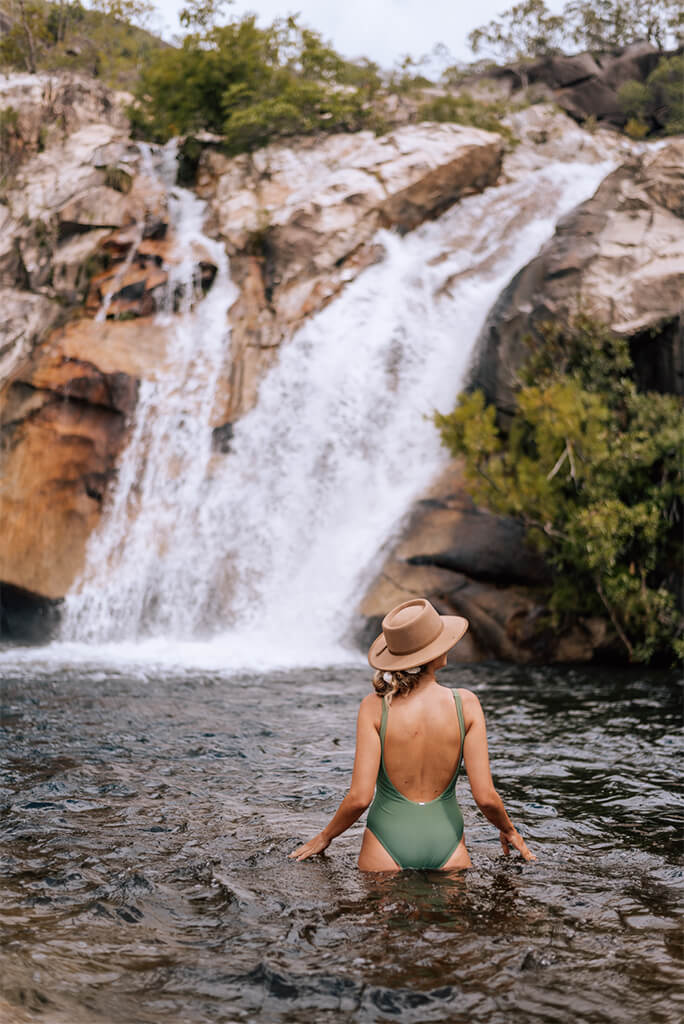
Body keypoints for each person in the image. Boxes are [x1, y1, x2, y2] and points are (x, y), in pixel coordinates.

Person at [290, 597, 536, 870]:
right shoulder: (466, 704)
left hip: (384, 845)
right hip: (448, 845)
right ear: (434, 652)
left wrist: (325, 837)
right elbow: (486, 797)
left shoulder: (374, 707)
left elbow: (360, 797)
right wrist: (509, 829)